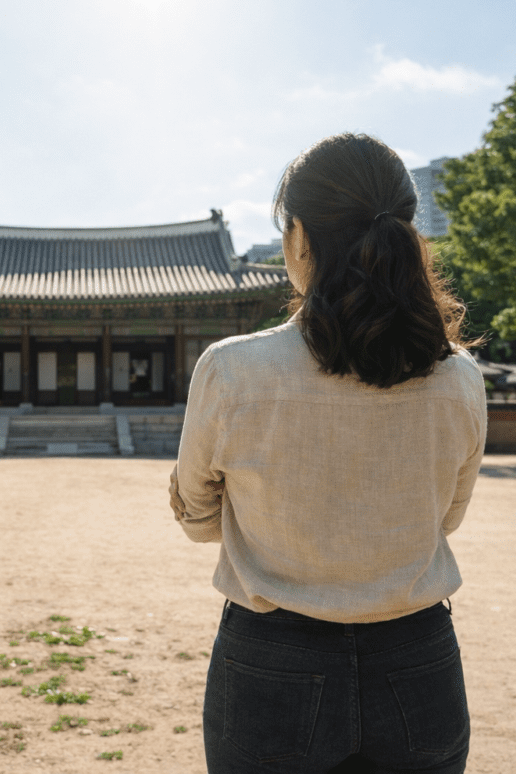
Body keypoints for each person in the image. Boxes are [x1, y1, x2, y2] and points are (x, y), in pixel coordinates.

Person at [169, 133, 487, 774]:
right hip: (417, 656)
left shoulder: (232, 371)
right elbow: (445, 519)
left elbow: (197, 520)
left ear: (298, 238)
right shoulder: (460, 377)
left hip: (271, 660)